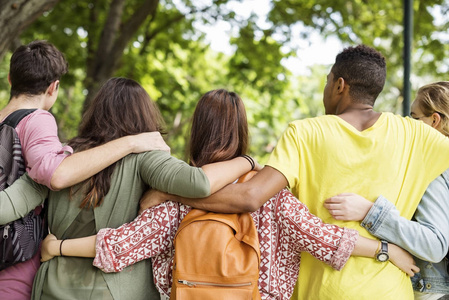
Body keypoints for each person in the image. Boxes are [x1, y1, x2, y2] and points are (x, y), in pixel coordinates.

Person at [136, 45, 449, 299]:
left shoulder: (305, 132)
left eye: (327, 80)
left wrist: (171, 193)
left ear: (340, 85)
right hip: (388, 290)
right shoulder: (418, 135)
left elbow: (250, 197)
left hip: (318, 292)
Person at [40, 89, 416, 299]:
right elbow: (329, 240)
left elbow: (119, 248)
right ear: (243, 131)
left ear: (196, 132)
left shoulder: (173, 195)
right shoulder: (272, 195)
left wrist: (56, 247)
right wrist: (388, 250)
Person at [0, 78, 257, 299]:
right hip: (116, 290)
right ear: (144, 115)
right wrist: (248, 161)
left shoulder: (62, 158)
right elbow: (199, 183)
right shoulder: (146, 158)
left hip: (52, 288)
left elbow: (6, 207)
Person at [0, 40, 168, 299]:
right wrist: (133, 141)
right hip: (15, 255)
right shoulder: (37, 119)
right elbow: (56, 174)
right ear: (53, 87)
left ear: (10, 78)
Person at [324, 81, 449, 300]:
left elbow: (434, 245)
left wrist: (370, 212)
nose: (408, 123)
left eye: (414, 117)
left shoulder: (435, 169)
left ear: (435, 121)